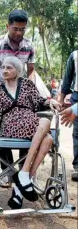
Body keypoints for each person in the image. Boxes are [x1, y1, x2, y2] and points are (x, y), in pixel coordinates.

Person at [0, 56, 61, 209]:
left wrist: (51, 101)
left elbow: (39, 100)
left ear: (17, 71)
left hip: (30, 121)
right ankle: (24, 176)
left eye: (9, 67)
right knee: (45, 122)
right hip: (11, 123)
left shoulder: (27, 84)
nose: (5, 70)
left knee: (48, 139)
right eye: (3, 67)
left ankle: (20, 185)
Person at [0, 9, 36, 186]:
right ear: (7, 26)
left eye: (22, 29)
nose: (19, 33)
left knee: (28, 124)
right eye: (15, 29)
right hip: (0, 88)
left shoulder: (29, 46)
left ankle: (22, 173)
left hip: (19, 90)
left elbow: (31, 72)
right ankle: (7, 172)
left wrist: (28, 90)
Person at [58, 50, 78, 182]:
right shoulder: (75, 55)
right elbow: (67, 79)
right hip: (77, 96)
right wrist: (60, 100)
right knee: (77, 132)